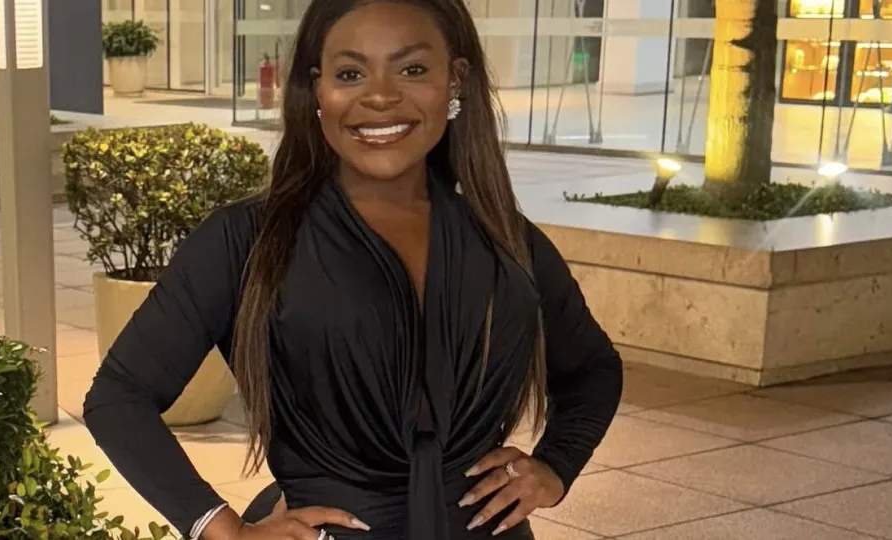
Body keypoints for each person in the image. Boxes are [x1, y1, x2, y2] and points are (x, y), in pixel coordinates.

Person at [82, 1, 623, 539]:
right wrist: (221, 528)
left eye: (412, 69)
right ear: (317, 88)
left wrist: (556, 466)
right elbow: (119, 395)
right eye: (350, 74)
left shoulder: (506, 238)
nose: (380, 96)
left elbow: (594, 369)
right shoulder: (247, 240)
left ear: (455, 79)